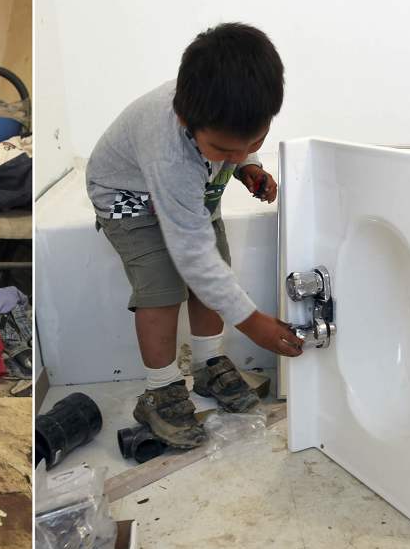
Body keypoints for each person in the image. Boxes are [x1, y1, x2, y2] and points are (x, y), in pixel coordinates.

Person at [85, 22, 303, 449]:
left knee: (214, 272)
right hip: (128, 196)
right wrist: (251, 321)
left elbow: (235, 140)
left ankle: (208, 365)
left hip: (186, 194)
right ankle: (161, 389)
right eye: (225, 151)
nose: (237, 154)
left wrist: (245, 167)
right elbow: (189, 252)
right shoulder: (169, 147)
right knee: (162, 287)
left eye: (254, 140)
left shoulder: (220, 121)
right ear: (187, 121)